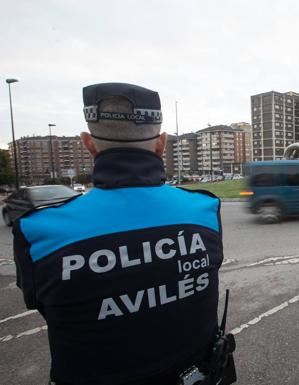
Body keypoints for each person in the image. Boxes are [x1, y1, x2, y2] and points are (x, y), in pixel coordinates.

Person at [13, 83, 233, 385]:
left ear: (88, 143)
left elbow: (47, 306)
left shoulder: (38, 229)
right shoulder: (204, 209)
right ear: (162, 144)